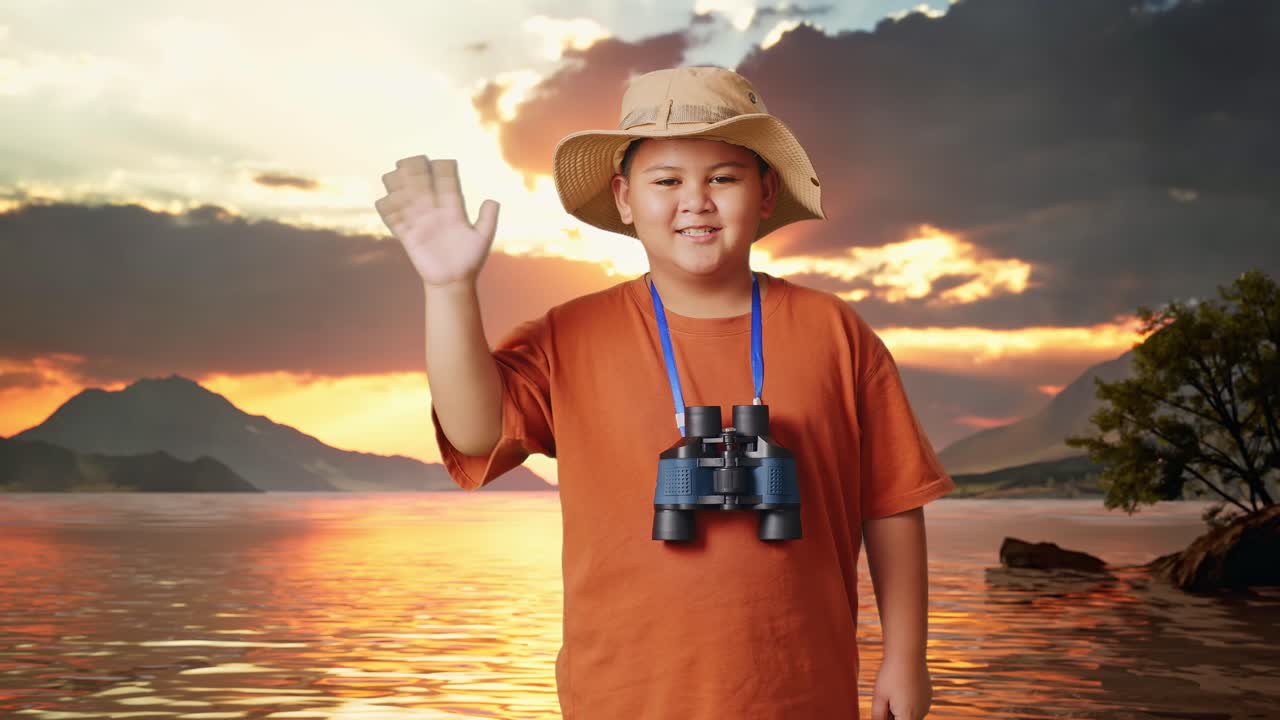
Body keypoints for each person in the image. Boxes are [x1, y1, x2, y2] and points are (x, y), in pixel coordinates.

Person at [375, 65, 955, 720]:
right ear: (625, 198)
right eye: (667, 180)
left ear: (766, 192)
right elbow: (475, 432)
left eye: (724, 178)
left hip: (801, 693)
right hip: (622, 698)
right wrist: (449, 289)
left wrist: (907, 656)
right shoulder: (571, 335)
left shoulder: (834, 331)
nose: (696, 201)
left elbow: (891, 503)